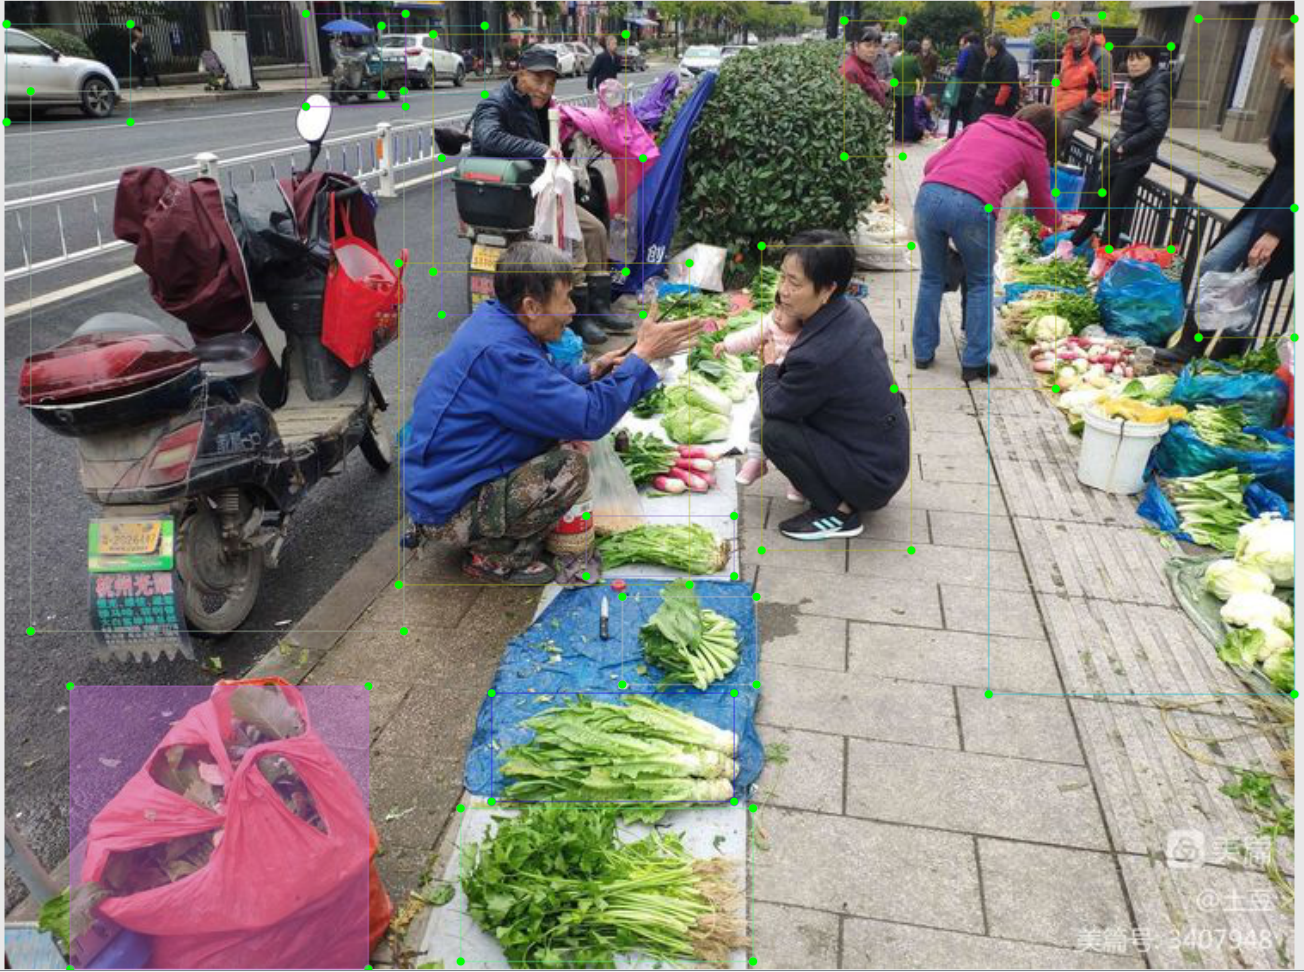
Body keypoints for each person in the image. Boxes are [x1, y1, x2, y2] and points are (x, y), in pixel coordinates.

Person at [402, 241, 703, 583]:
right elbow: (590, 418)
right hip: (446, 508)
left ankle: (493, 529)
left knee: (558, 440)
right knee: (568, 468)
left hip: (444, 486)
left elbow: (537, 381)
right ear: (531, 306)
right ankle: (494, 557)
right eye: (565, 301)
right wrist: (643, 356)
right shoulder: (502, 354)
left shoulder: (494, 321)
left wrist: (591, 370)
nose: (572, 311)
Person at [471, 45, 629, 346]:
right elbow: (488, 137)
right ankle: (577, 316)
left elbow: (555, 143)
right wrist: (541, 150)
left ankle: (598, 306)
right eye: (537, 79)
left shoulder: (545, 108)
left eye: (550, 82)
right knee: (573, 240)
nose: (544, 89)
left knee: (594, 230)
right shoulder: (495, 103)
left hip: (543, 189)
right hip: (510, 198)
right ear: (520, 74)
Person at [760, 230, 910, 541]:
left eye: (795, 283)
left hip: (872, 478)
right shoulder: (852, 309)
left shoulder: (818, 355)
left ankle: (838, 513)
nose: (783, 291)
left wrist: (769, 368)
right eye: (783, 278)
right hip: (887, 457)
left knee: (774, 433)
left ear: (827, 289)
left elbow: (775, 404)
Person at [1158, 31, 1293, 364]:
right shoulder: (1293, 96)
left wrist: (1275, 230)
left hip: (1287, 212)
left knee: (1253, 283)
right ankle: (1189, 346)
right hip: (1270, 197)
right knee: (1215, 262)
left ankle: (1224, 358)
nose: (1281, 74)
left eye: (1286, 65)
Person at [912, 104, 1060, 382]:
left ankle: (922, 353)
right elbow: (1043, 208)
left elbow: (930, 165)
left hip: (929, 196)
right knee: (981, 282)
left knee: (931, 277)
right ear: (1050, 136)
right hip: (974, 207)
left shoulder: (980, 126)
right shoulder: (1034, 149)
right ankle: (974, 362)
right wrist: (1058, 222)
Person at [1062, 36, 1169, 252]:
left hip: (1133, 160)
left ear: (1153, 60)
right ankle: (1069, 248)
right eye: (1130, 58)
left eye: (1140, 59)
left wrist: (1126, 146)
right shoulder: (1140, 83)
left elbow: (1157, 127)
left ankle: (1102, 258)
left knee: (1112, 213)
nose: (1133, 63)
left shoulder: (1155, 88)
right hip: (1120, 157)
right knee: (1097, 207)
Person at [715, 303, 803, 491]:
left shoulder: (808, 334)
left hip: (795, 390)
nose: (778, 315)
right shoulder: (770, 324)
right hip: (771, 386)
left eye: (786, 312)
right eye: (777, 307)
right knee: (758, 420)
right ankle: (756, 460)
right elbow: (750, 337)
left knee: (797, 433)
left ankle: (798, 479)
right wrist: (726, 345)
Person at [1054, 17, 1113, 147]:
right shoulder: (1067, 54)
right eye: (1072, 33)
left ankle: (1049, 163)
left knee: (1056, 134)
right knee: (1040, 125)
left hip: (1081, 110)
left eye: (1079, 31)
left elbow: (1107, 90)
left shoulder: (1101, 55)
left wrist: (1084, 107)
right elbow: (1061, 81)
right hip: (1062, 104)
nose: (1075, 36)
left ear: (1088, 31)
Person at [948, 31, 986, 137]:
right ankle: (966, 137)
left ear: (968, 42)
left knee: (954, 112)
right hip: (972, 86)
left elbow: (960, 69)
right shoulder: (982, 52)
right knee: (967, 114)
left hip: (961, 85)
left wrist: (955, 67)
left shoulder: (967, 50)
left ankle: (950, 136)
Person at [840, 27, 888, 107]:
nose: (872, 50)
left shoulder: (866, 65)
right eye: (868, 46)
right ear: (856, 45)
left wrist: (879, 86)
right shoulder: (850, 71)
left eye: (876, 46)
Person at [975, 33, 1020, 118]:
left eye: (986, 48)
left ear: (991, 48)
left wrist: (998, 106)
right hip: (991, 98)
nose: (985, 51)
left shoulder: (1007, 60)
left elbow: (1006, 85)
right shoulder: (993, 59)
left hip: (1002, 104)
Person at [891, 40, 924, 142]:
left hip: (896, 91)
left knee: (898, 114)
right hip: (908, 92)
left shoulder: (896, 59)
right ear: (915, 51)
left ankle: (896, 135)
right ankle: (906, 137)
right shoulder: (913, 60)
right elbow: (919, 74)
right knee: (909, 115)